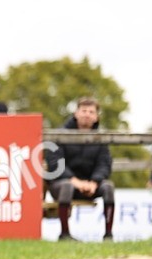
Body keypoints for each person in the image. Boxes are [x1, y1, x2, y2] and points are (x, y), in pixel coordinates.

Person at [43, 97, 115, 241]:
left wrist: (94, 182)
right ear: (76, 113)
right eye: (83, 110)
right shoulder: (59, 135)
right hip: (62, 184)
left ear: (96, 117)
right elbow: (55, 164)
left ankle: (108, 235)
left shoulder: (101, 139)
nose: (87, 114)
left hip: (90, 185)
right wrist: (75, 181)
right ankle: (64, 234)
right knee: (67, 186)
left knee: (108, 187)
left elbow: (104, 164)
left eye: (91, 111)